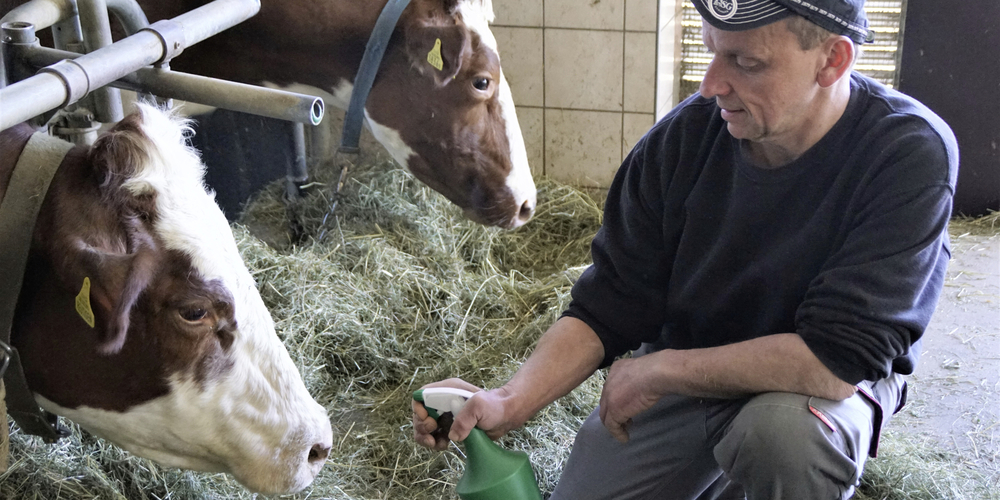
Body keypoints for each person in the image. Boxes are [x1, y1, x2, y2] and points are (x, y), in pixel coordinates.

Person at [412, 0, 959, 498]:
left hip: (809, 392)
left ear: (832, 61)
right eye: (710, 50)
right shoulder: (680, 144)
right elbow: (609, 304)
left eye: (746, 63)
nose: (710, 84)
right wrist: (510, 401)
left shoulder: (906, 154)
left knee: (782, 438)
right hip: (697, 362)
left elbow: (836, 360)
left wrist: (658, 372)